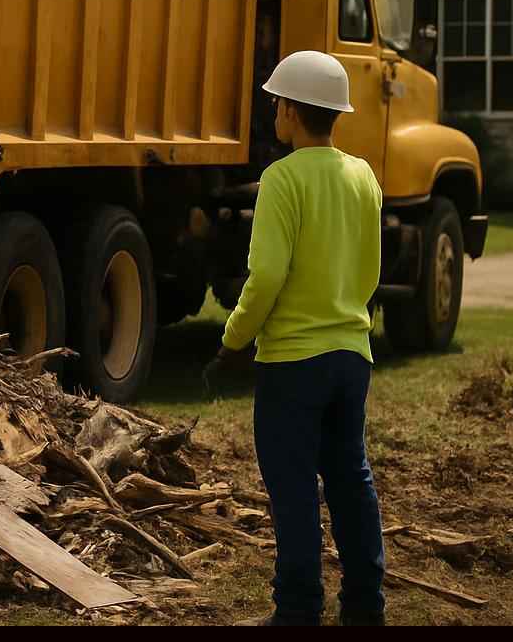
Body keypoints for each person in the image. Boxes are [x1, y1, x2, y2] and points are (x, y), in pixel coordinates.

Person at [210, 50, 387, 627]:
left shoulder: (281, 179)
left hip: (293, 363)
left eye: (275, 104)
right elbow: (370, 272)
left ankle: (296, 612)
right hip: (351, 355)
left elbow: (266, 276)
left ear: (288, 110)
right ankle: (364, 608)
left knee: (293, 490)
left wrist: (234, 341)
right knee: (350, 478)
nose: (273, 114)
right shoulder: (363, 176)